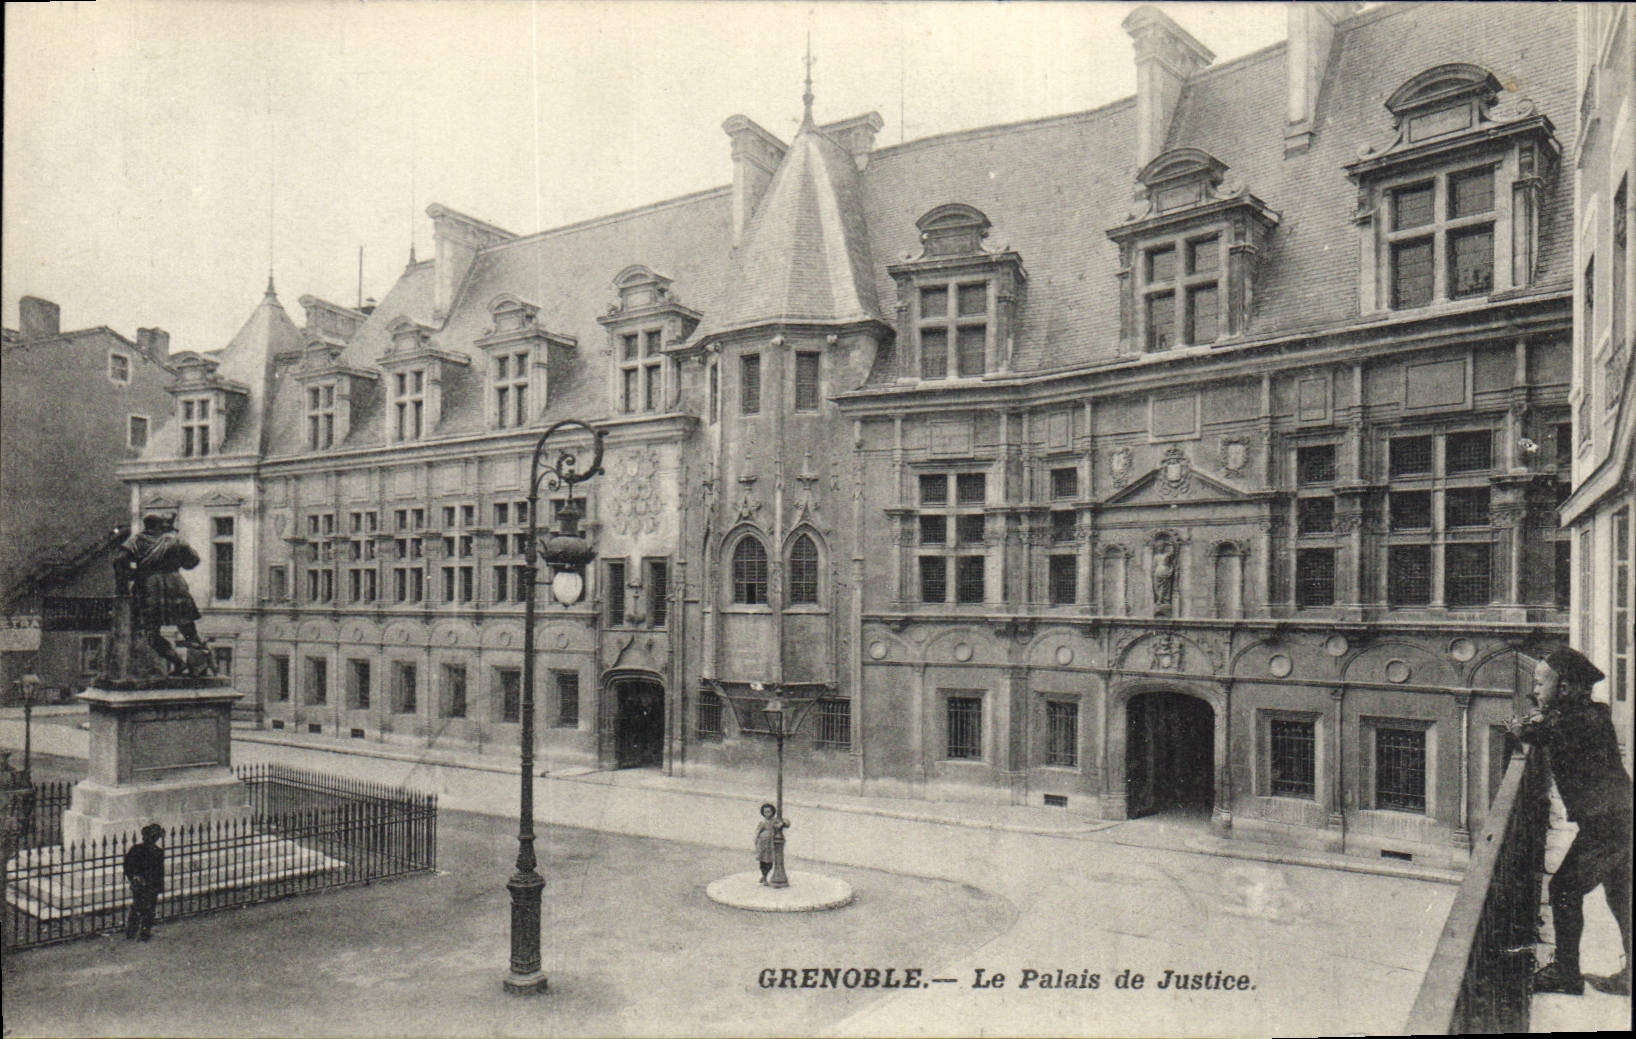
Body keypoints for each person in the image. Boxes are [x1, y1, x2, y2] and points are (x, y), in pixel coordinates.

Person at [1509, 647, 1632, 996]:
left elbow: (1531, 730)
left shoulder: (1575, 721)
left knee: (1563, 889)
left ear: (1563, 689)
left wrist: (1522, 726)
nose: (1535, 690)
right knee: (1622, 897)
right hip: (1617, 820)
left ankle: (1566, 974)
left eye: (1540, 683)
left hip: (1608, 826)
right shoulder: (1590, 714)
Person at [114, 513, 206, 676]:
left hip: (149, 585)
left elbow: (119, 561)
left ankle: (177, 662)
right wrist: (176, 561)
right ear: (160, 525)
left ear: (146, 525)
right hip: (175, 584)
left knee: (150, 631)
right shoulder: (175, 540)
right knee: (188, 628)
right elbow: (193, 561)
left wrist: (134, 574)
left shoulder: (136, 540)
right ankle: (200, 666)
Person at [122, 822, 166, 941]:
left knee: (139, 908)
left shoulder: (139, 849)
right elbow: (129, 865)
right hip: (146, 885)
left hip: (145, 884)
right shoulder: (156, 851)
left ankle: (134, 932)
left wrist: (133, 877)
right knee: (145, 909)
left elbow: (127, 865)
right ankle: (142, 932)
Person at [754, 803, 789, 886]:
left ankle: (765, 875)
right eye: (765, 812)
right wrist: (756, 843)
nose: (767, 814)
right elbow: (757, 833)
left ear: (772, 812)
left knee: (770, 861)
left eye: (769, 812)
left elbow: (786, 822)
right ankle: (764, 877)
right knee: (763, 861)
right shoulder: (762, 822)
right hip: (763, 843)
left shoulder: (775, 820)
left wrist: (782, 824)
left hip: (771, 844)